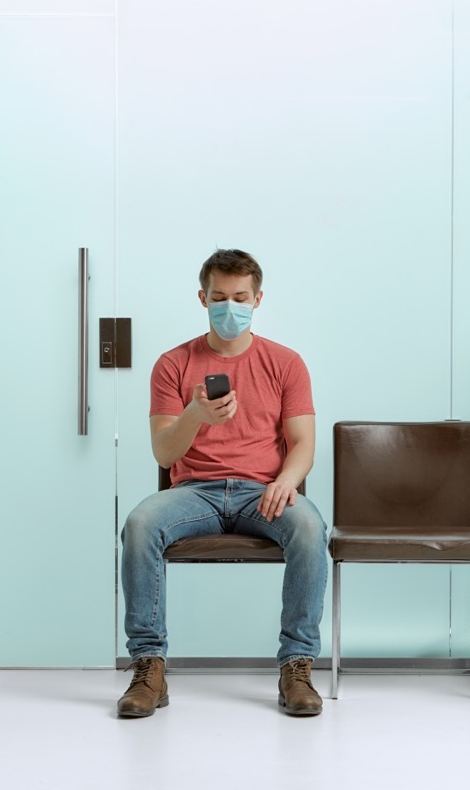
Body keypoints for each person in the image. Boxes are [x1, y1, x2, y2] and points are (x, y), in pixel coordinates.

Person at [117, 249, 328, 719]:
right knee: (140, 524)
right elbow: (164, 453)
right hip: (194, 492)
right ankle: (149, 666)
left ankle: (296, 666)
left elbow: (303, 444)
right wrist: (195, 413)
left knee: (310, 527)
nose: (229, 307)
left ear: (257, 300)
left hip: (263, 491)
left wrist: (286, 480)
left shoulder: (286, 363)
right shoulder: (173, 364)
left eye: (239, 297)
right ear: (202, 298)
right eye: (218, 298)